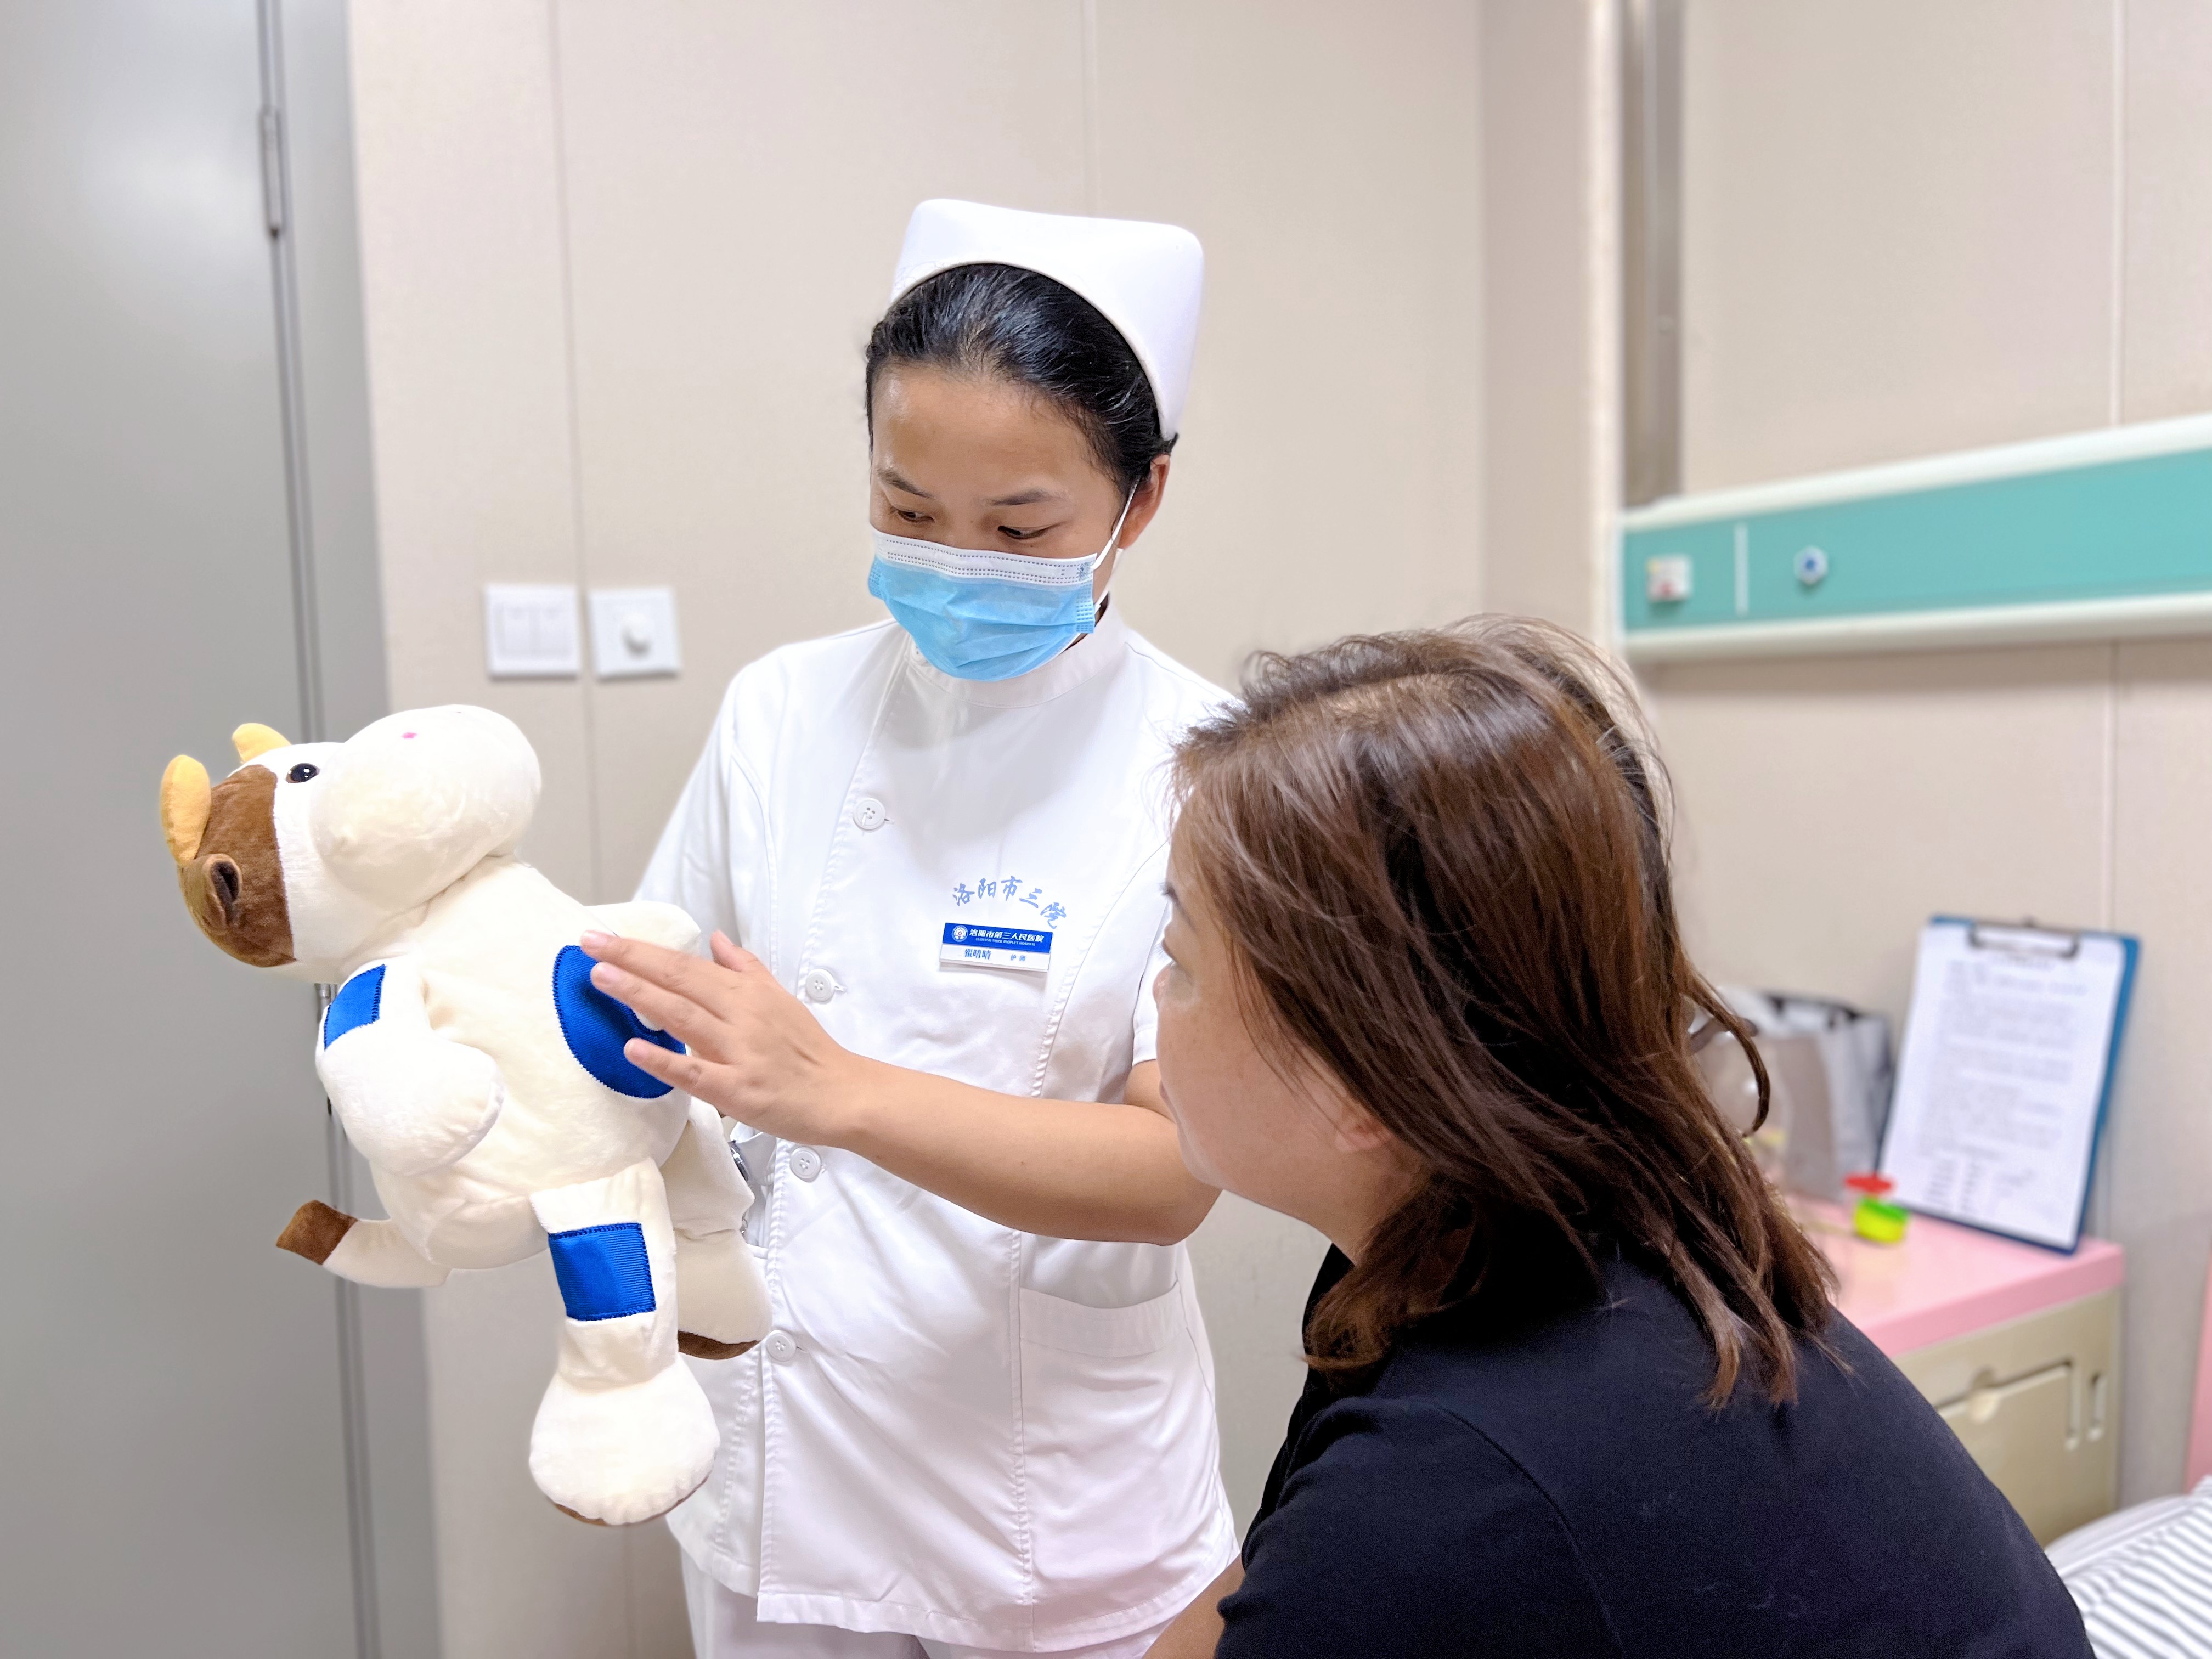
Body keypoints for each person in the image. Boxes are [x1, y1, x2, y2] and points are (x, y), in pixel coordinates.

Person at [1140, 620, 2093, 1657]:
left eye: (1181, 963)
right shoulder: (1532, 1235)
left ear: (1364, 1072)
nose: (1153, 998)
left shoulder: (1438, 1497)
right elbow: (1263, 1589)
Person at [576, 200, 1237, 1658]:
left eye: (1020, 527)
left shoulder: (1212, 763)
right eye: (909, 510)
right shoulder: (781, 710)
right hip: (778, 1471)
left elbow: (1174, 1170)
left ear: (1142, 500)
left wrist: (838, 1093)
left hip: (1056, 1507)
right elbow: (650, 1027)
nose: (957, 560)